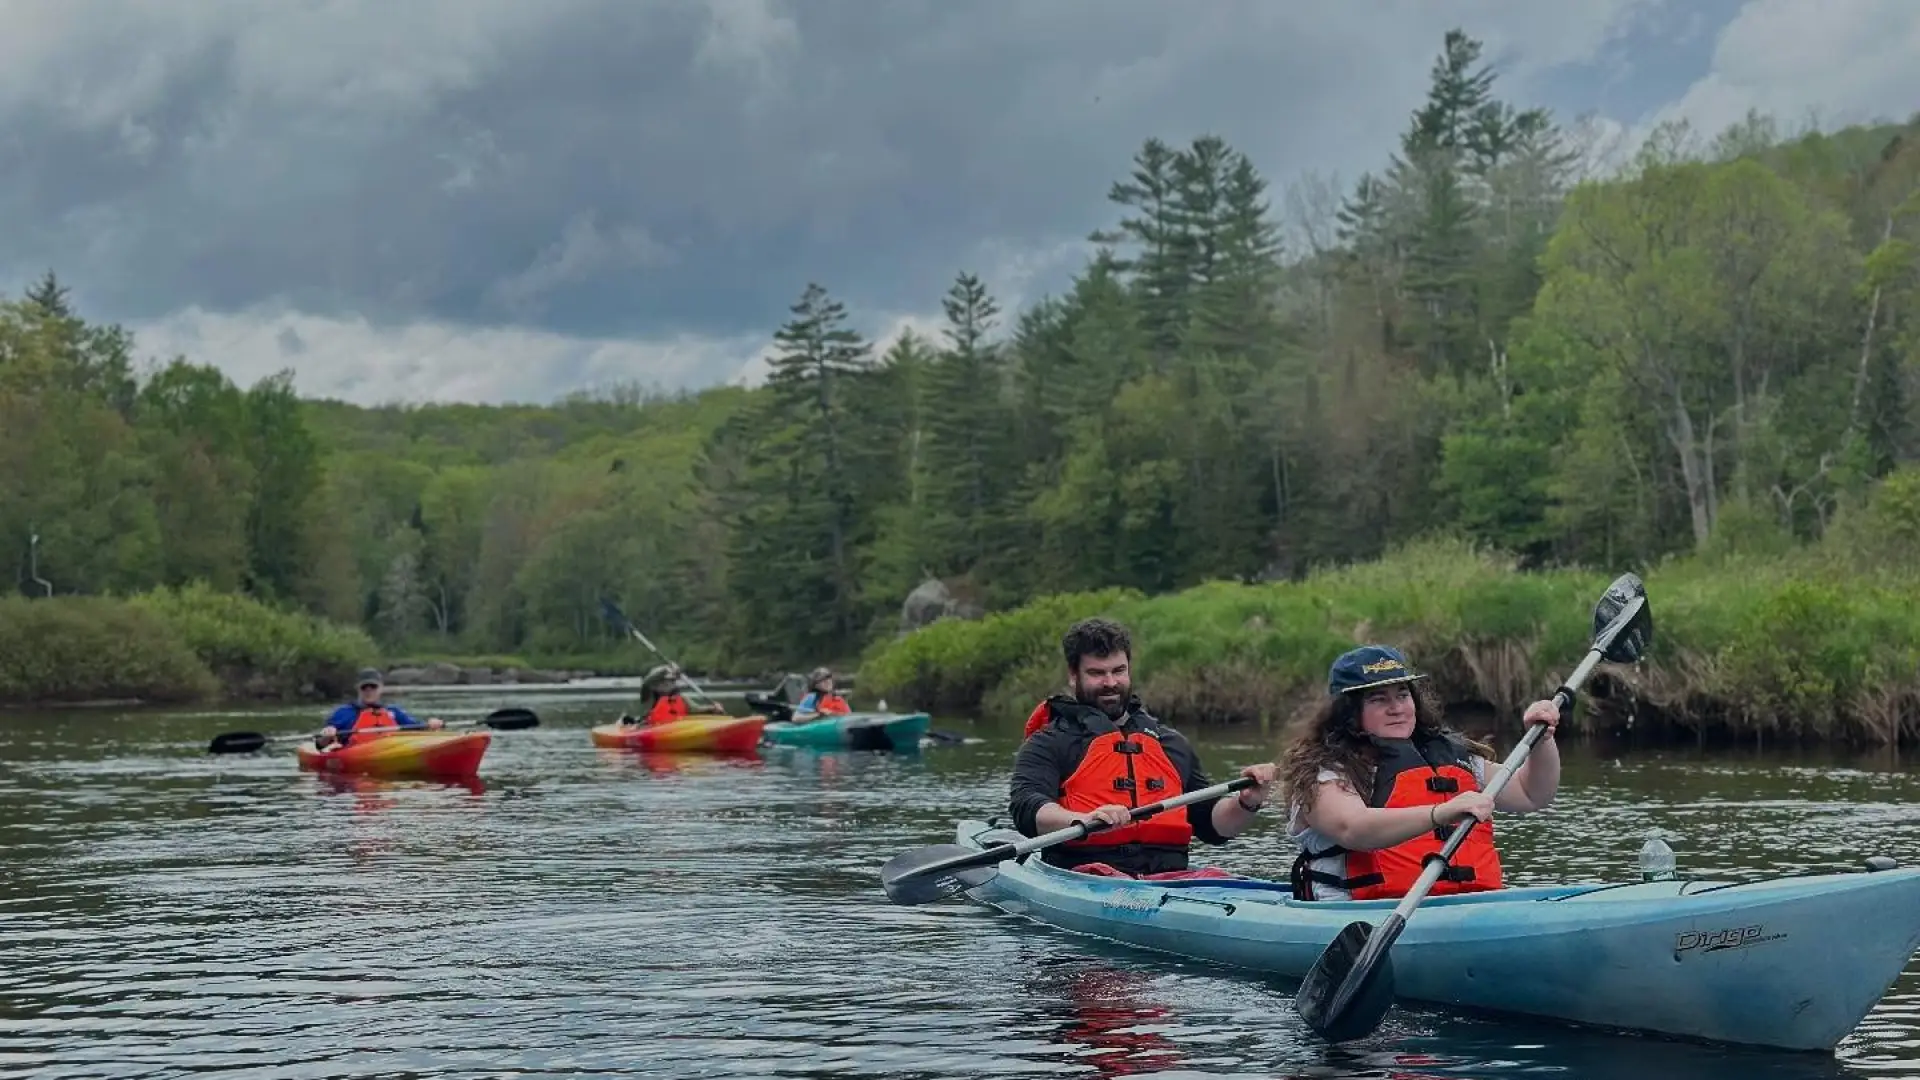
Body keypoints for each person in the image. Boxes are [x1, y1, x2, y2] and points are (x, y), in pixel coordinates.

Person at [1280, 644, 1562, 901]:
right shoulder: (1324, 772)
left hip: (1465, 905)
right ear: (1348, 712)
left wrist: (1541, 740)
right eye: (1379, 699)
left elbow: (1531, 793)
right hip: (1360, 915)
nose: (1396, 709)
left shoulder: (1447, 757)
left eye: (1403, 695)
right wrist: (1441, 812)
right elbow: (1352, 828)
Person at [1009, 617, 1277, 879]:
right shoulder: (1049, 741)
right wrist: (1082, 820)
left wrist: (1246, 802)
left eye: (1118, 671)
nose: (1110, 683)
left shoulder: (1170, 743)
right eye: (1096, 673)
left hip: (1170, 878)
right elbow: (1028, 808)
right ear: (1073, 675)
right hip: (1085, 875)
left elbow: (1211, 826)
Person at [316, 668, 443, 750]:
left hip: (390, 751)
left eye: (373, 687)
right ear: (358, 689)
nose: (369, 691)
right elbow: (320, 744)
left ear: (381, 688)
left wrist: (430, 725)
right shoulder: (344, 712)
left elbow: (417, 728)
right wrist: (327, 735)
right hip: (356, 755)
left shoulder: (394, 712)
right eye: (364, 687)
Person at [620, 664, 725, 725]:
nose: (669, 683)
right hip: (651, 728)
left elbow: (696, 710)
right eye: (664, 681)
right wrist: (667, 668)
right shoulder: (649, 696)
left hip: (676, 729)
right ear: (655, 685)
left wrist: (713, 709)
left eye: (672, 681)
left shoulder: (681, 698)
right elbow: (647, 681)